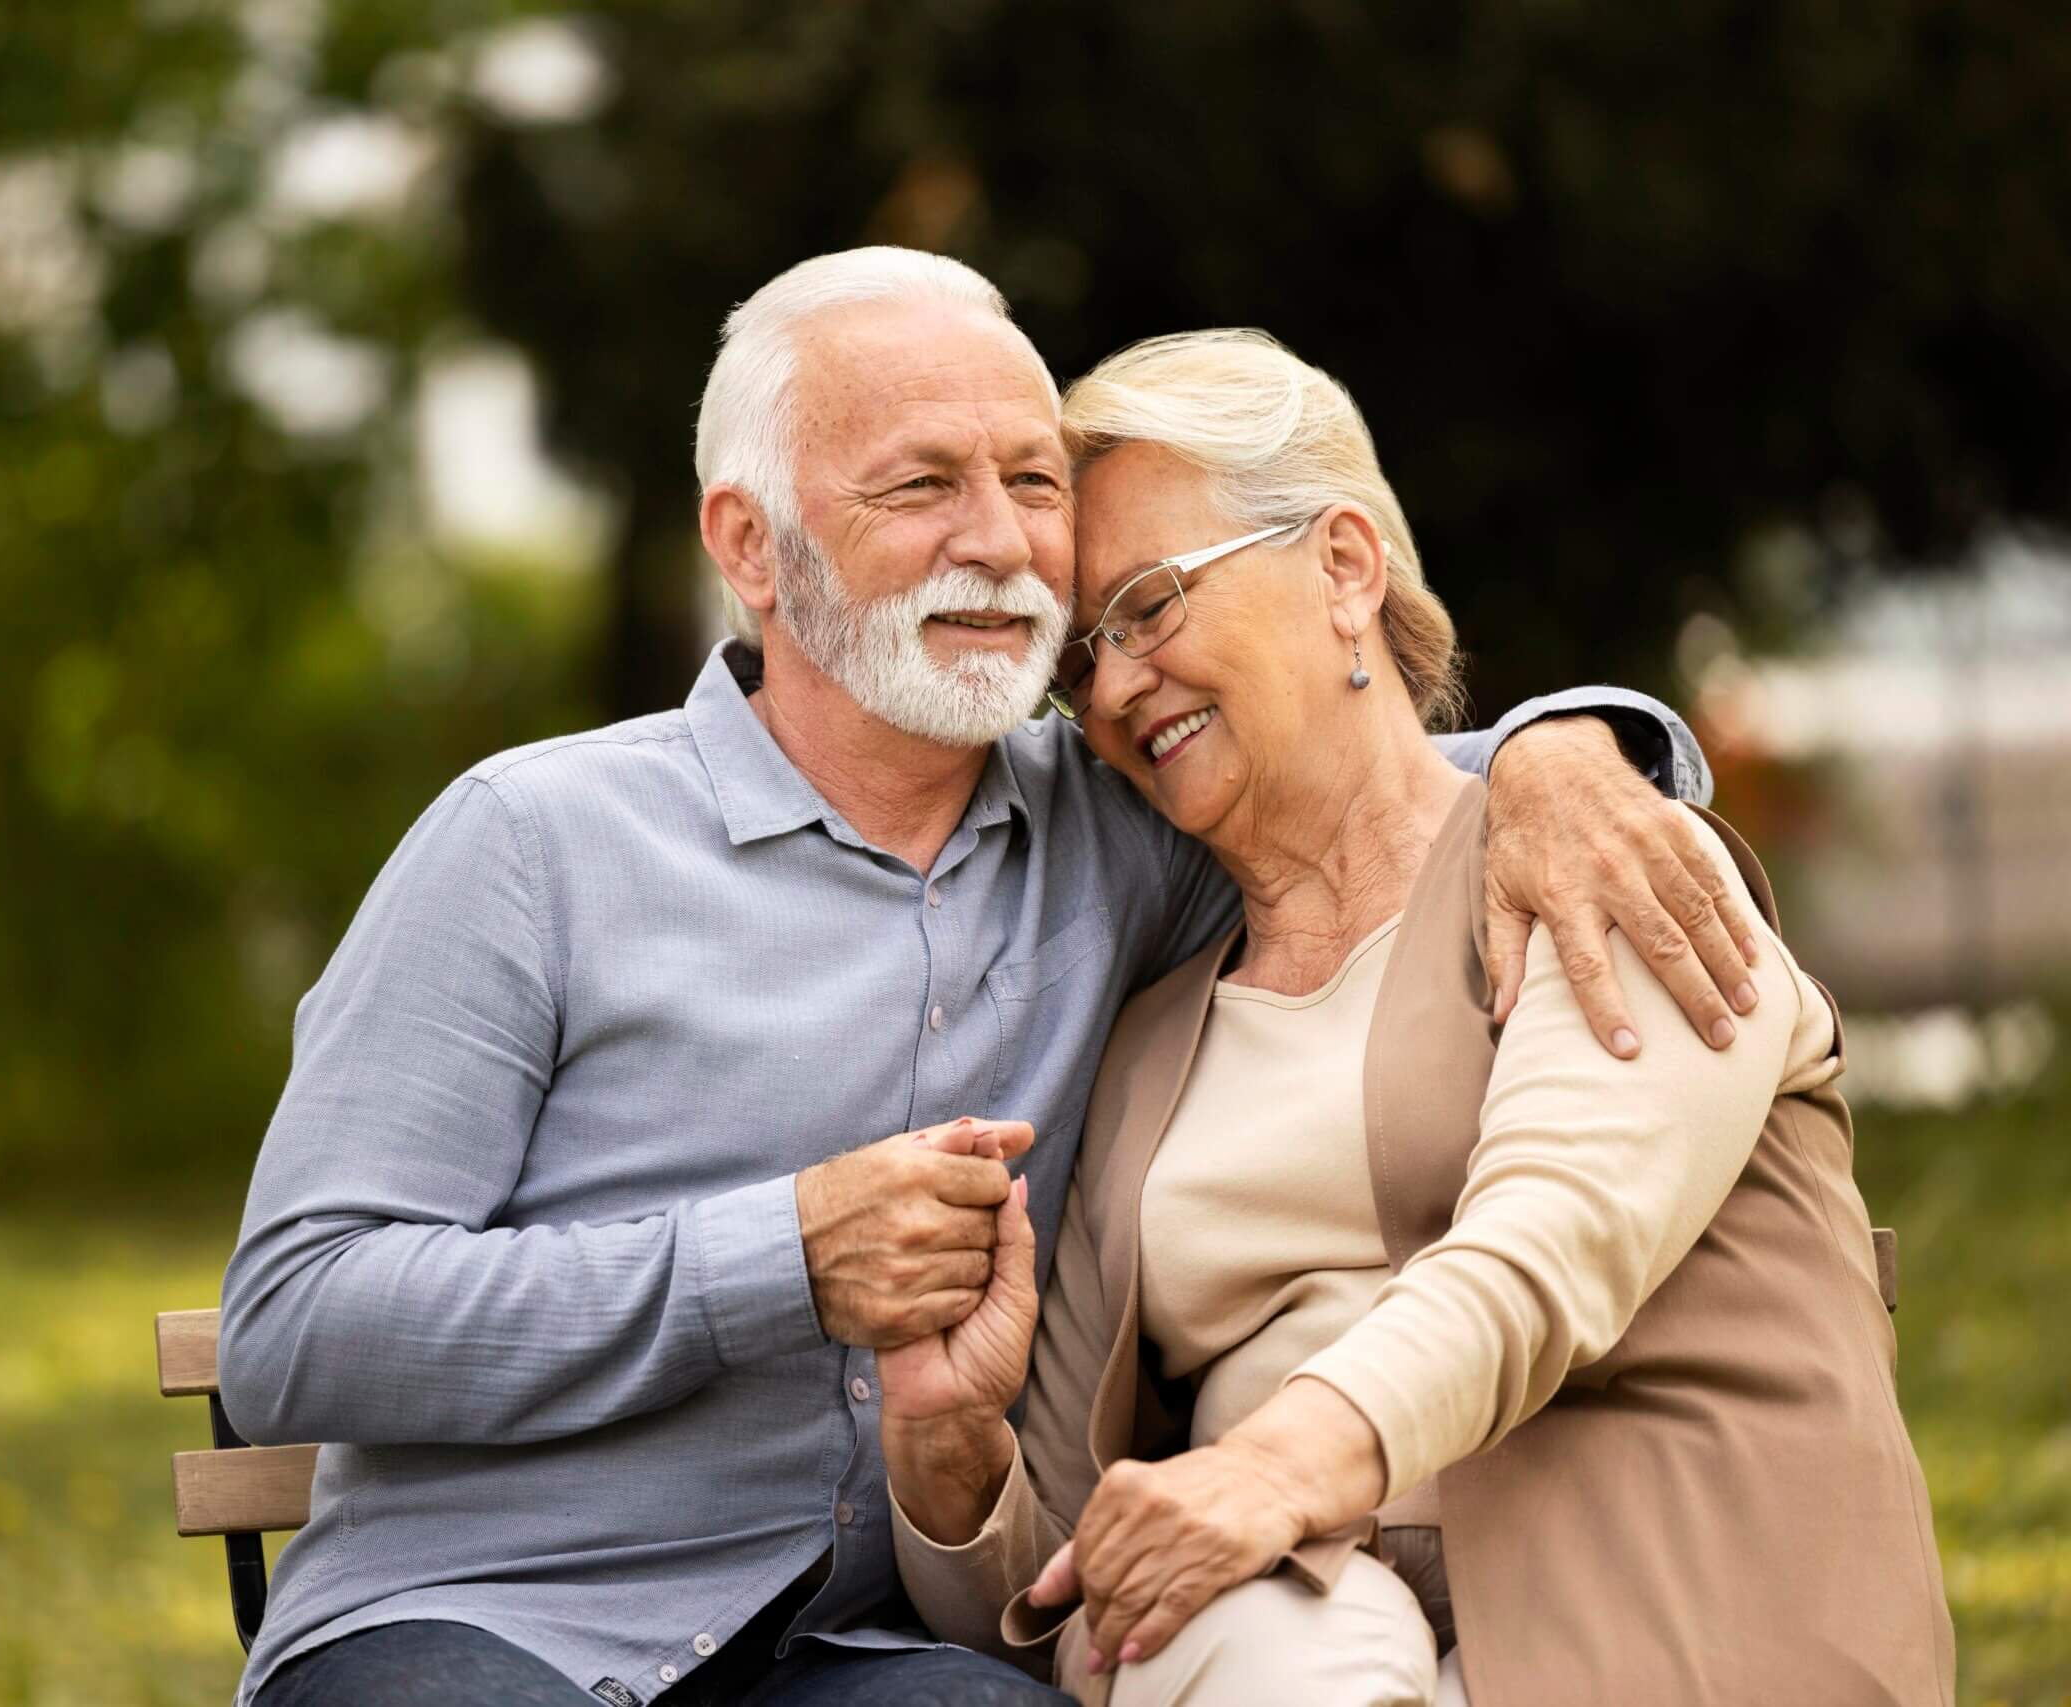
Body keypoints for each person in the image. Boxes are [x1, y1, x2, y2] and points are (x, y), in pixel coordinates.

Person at [218, 250, 1757, 1707]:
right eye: (921, 486)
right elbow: (293, 1323)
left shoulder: (1125, 821)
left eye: (1031, 481)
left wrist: (1581, 747)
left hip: (859, 1657)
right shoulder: (529, 843)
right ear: (750, 543)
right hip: (489, 1627)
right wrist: (782, 1261)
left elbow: (1382, 780)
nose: (1001, 541)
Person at [880, 328, 1954, 1707]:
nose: (1117, 687)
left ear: (1343, 568)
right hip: (1291, 1656)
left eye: (1149, 607)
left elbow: (1546, 1249)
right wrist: (951, 1446)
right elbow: (1063, 1586)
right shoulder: (1147, 1049)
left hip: (1666, 1628)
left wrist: (1265, 1474)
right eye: (1079, 660)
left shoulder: (1605, 864)